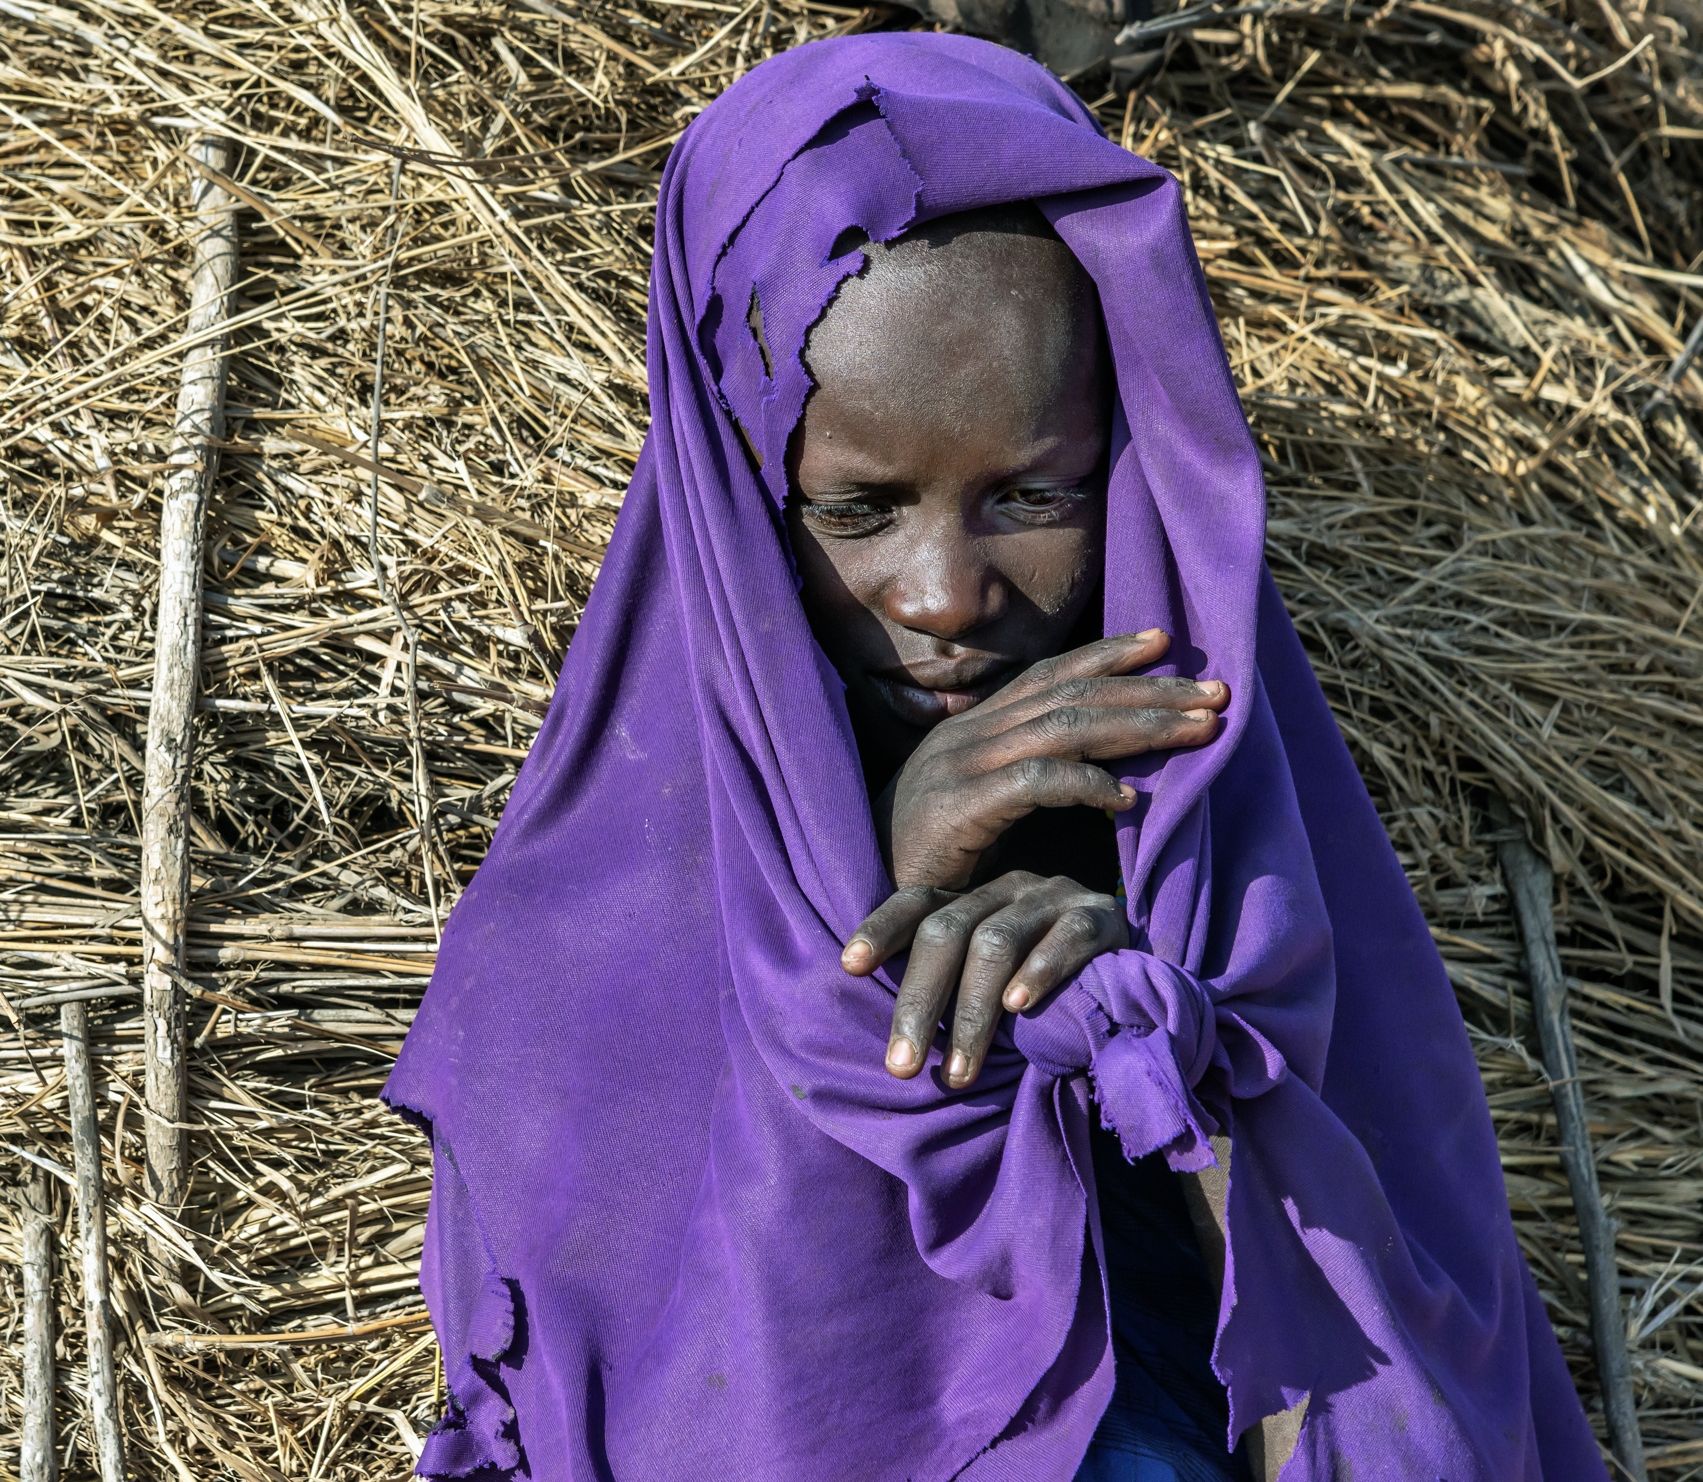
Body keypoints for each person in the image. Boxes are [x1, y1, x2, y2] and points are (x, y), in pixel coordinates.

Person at [385, 33, 1604, 1482]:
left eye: (1032, 492)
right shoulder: (592, 918)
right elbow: (667, 1352)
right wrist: (861, 902)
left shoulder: (1232, 825)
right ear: (738, 488)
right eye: (856, 511)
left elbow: (1383, 1370)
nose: (942, 595)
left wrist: (1153, 1028)